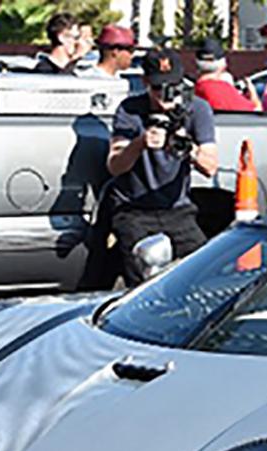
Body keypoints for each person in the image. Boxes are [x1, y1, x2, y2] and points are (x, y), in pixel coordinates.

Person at [106, 48, 218, 286]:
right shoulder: (130, 110)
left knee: (200, 271)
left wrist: (188, 147)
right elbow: (115, 166)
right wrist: (139, 144)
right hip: (134, 209)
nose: (166, 96)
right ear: (145, 82)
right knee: (141, 277)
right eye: (158, 88)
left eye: (173, 87)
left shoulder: (196, 109)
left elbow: (210, 167)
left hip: (176, 208)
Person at [193, 39, 261, 112]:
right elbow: (256, 111)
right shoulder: (227, 90)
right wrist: (253, 94)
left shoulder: (194, 93)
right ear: (223, 66)